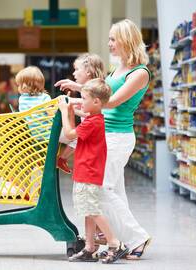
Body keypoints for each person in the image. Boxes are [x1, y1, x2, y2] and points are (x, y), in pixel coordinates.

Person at [55, 19, 151, 260]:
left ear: (126, 40)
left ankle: (137, 237)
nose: (108, 44)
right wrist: (78, 90)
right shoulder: (116, 69)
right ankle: (122, 238)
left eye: (112, 39)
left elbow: (112, 101)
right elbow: (99, 99)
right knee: (115, 190)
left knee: (100, 189)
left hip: (118, 136)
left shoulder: (139, 73)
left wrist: (76, 97)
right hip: (104, 134)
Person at [58, 78, 128, 264]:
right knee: (88, 211)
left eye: (84, 98)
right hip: (85, 171)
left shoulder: (92, 122)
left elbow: (69, 133)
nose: (81, 101)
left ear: (96, 102)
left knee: (93, 210)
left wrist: (65, 111)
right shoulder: (94, 118)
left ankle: (115, 243)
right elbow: (76, 127)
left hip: (88, 172)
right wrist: (72, 109)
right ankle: (90, 247)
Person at [15, 66, 77, 168]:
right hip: (48, 134)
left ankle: (45, 165)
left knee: (41, 160)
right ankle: (62, 159)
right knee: (76, 138)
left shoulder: (21, 99)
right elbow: (51, 113)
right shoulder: (44, 97)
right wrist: (61, 104)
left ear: (26, 86)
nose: (18, 87)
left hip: (33, 135)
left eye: (19, 85)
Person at [57, 53, 106, 174]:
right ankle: (61, 159)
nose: (74, 73)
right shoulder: (90, 88)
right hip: (88, 132)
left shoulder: (95, 89)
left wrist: (70, 108)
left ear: (88, 71)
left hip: (90, 134)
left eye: (77, 69)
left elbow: (93, 112)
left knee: (73, 138)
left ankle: (59, 158)